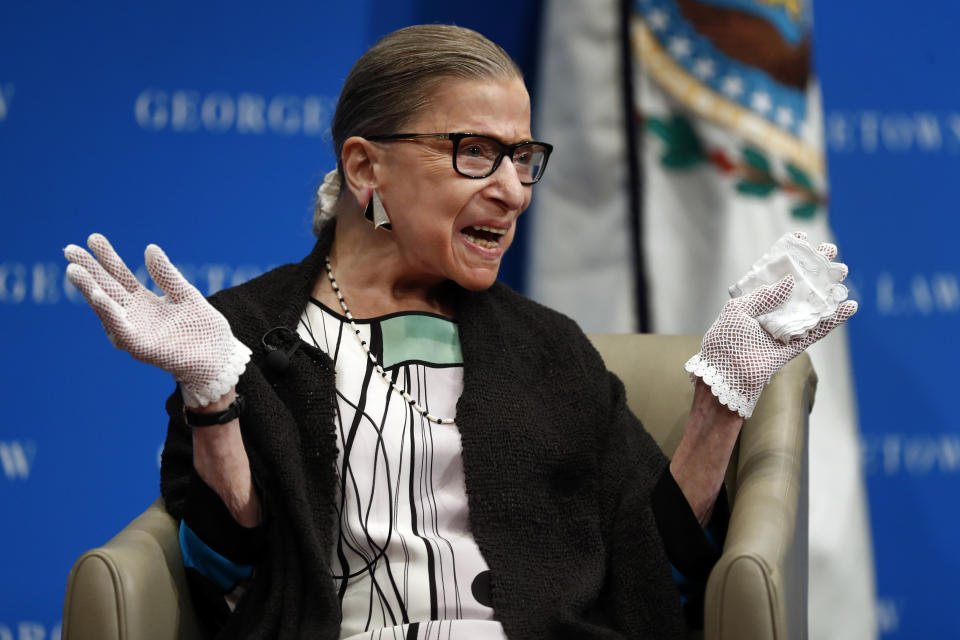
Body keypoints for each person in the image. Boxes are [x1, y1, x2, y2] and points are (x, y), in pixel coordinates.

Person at [63, 24, 855, 640]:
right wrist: (212, 398)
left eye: (523, 156)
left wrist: (721, 397)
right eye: (475, 153)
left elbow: (653, 576)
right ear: (367, 168)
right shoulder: (243, 332)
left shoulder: (549, 350)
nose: (513, 190)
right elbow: (223, 577)